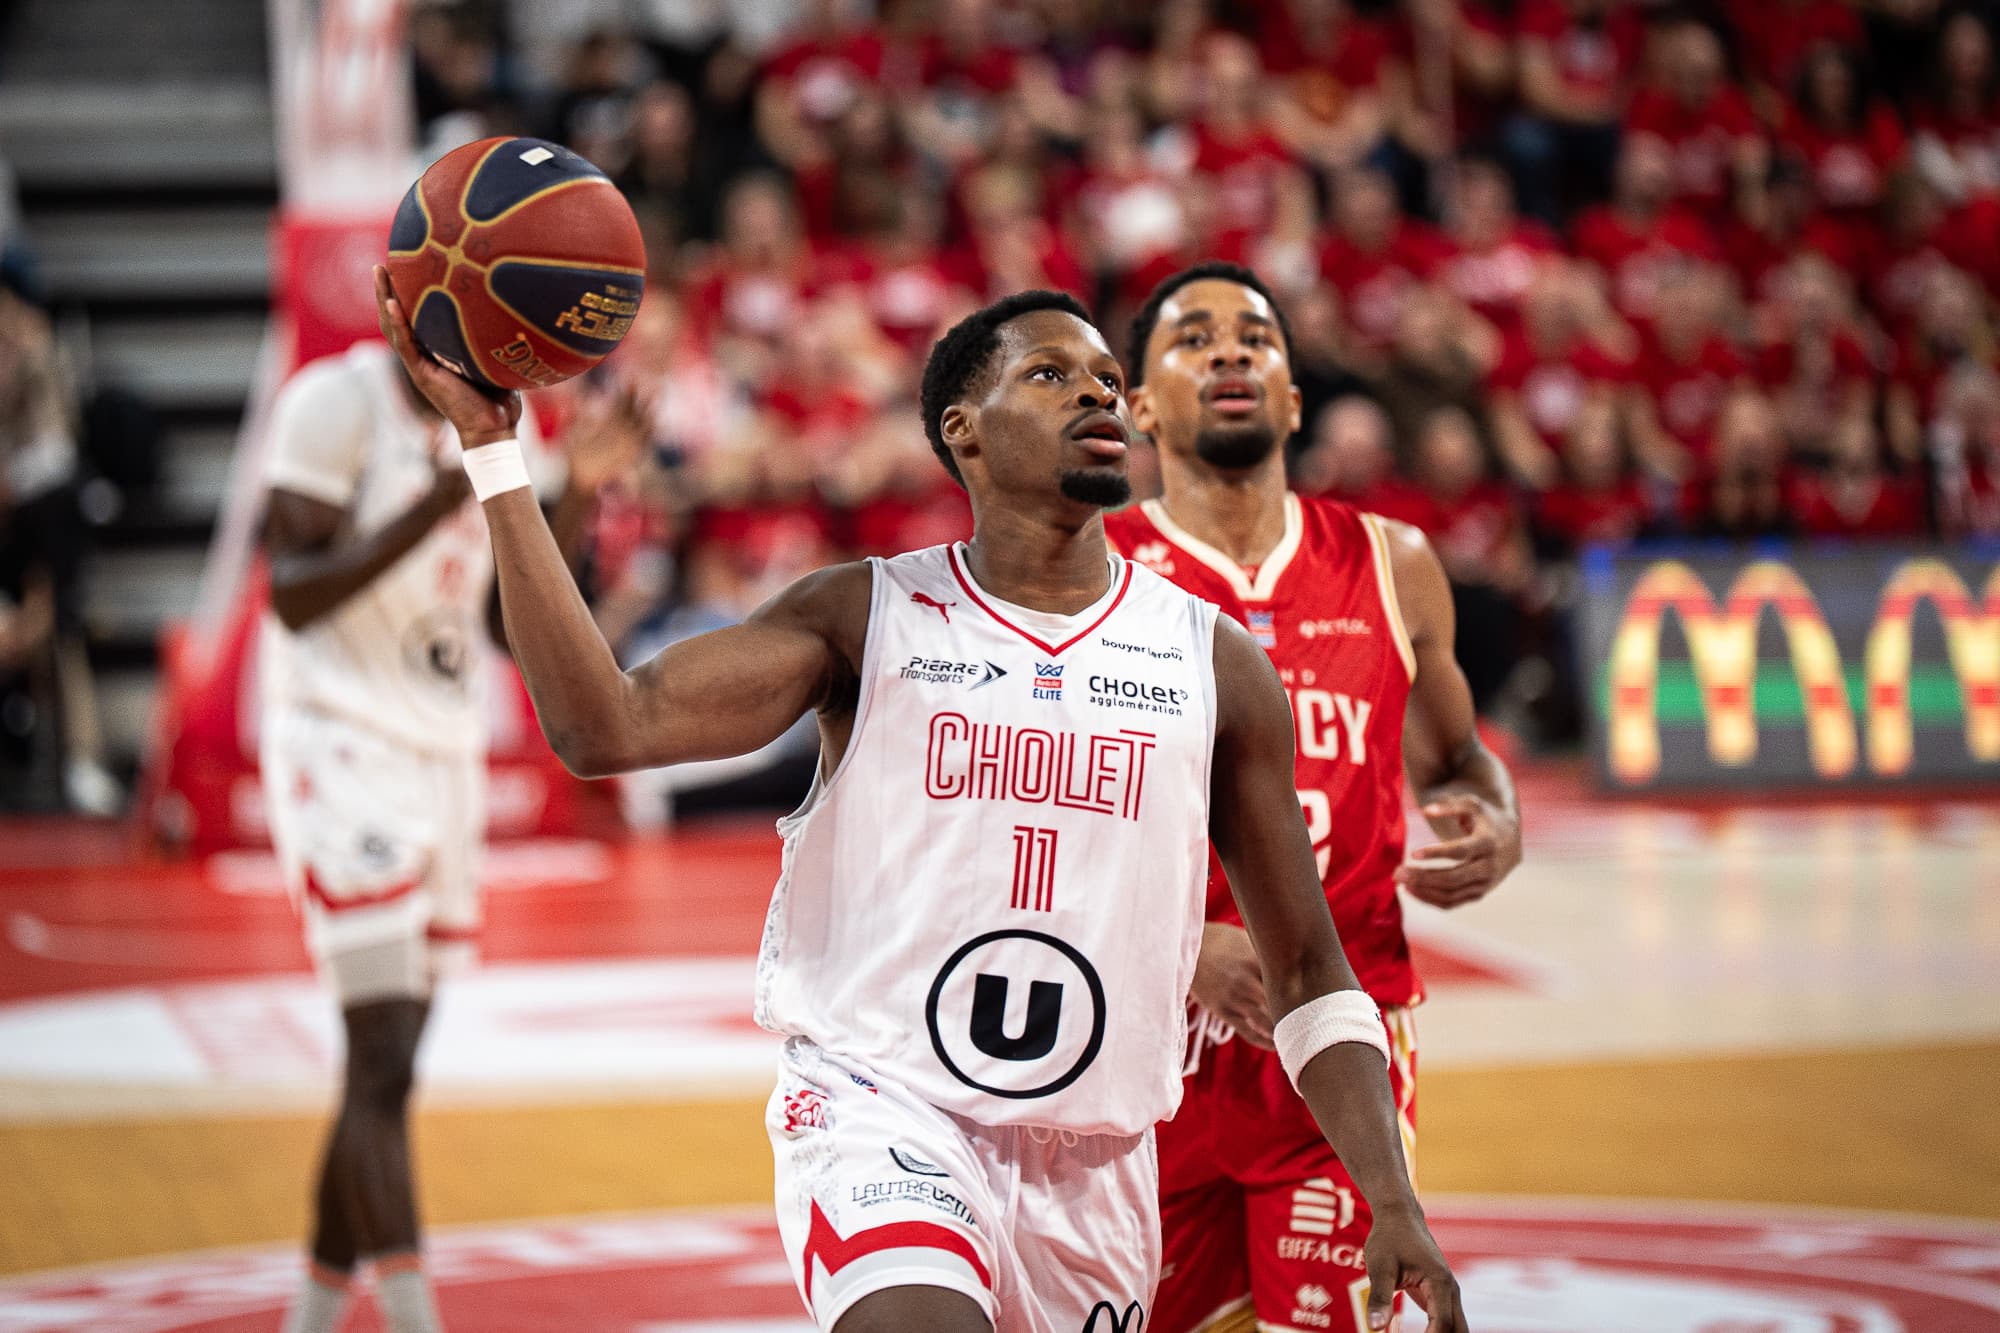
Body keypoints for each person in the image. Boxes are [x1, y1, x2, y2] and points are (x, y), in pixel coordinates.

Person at [372, 266, 1467, 1333]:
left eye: (1099, 375)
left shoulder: (1212, 662)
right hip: (881, 1108)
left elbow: (1310, 970)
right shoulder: (864, 616)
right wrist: (492, 452)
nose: (1093, 391)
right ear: (963, 432)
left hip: (1094, 1163)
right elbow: (600, 724)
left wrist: (1393, 1196)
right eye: (1047, 374)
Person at [1106, 262, 1521, 1333]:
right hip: (1143, 1045)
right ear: (1140, 405)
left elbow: (1455, 761)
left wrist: (1495, 815)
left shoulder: (1395, 563)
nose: (1230, 351)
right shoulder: (1091, 577)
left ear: (1293, 395)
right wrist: (1179, 946)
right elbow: (1030, 839)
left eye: (1255, 337)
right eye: (1192, 339)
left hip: (1337, 1039)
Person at [259, 339, 641, 1333]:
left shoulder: (506, 421)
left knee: (383, 1070)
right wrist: (432, 502)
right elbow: (292, 592)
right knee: (381, 1053)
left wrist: (577, 494)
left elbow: (516, 629)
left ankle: (309, 1315)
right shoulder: (335, 403)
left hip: (442, 749)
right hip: (339, 737)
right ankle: (413, 1317)